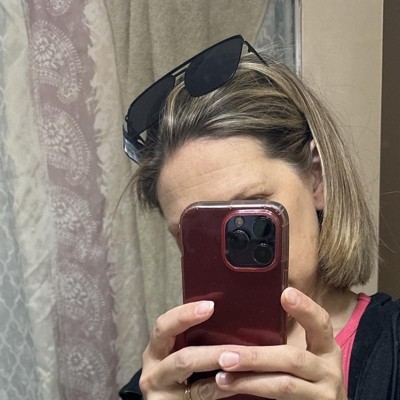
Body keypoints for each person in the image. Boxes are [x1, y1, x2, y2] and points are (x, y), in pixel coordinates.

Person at [119, 35, 400, 400]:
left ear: (316, 178)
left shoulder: (392, 348)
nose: (229, 247)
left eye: (250, 212)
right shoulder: (167, 377)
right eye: (194, 232)